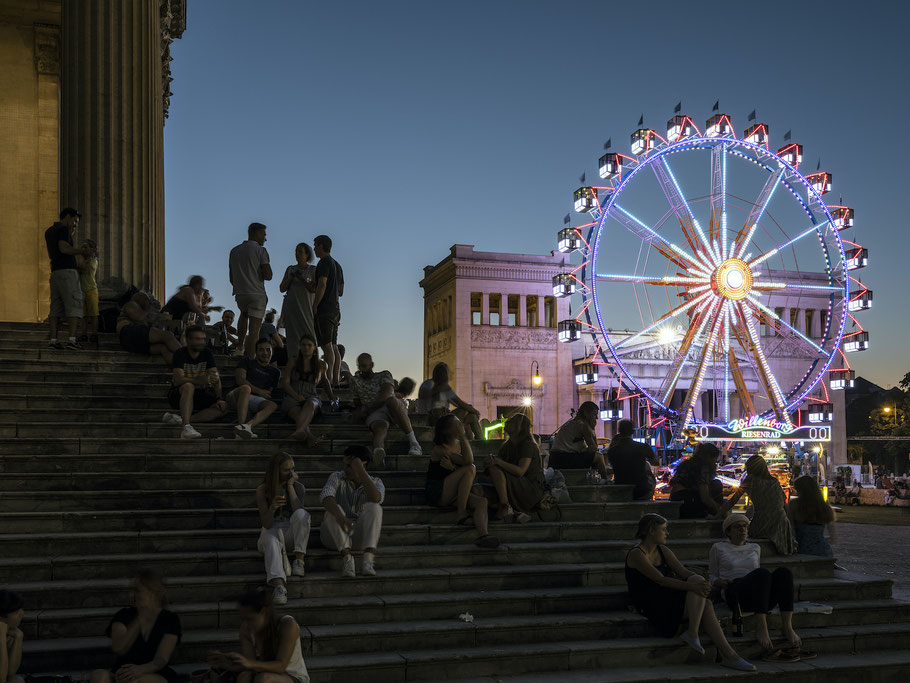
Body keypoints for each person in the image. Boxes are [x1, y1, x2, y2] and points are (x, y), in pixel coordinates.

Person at [625, 514, 755, 672]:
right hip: (651, 602)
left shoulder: (663, 550)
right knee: (701, 598)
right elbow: (660, 580)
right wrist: (693, 587)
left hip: (667, 596)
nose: (667, 533)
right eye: (663, 530)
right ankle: (727, 654)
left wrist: (700, 582)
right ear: (651, 531)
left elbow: (684, 572)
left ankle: (711, 644)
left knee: (699, 587)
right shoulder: (637, 553)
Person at [709, 514, 807, 660]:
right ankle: (761, 627)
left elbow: (760, 577)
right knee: (762, 574)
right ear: (728, 531)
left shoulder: (755, 547)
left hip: (758, 590)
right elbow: (712, 576)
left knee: (783, 573)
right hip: (735, 591)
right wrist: (720, 583)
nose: (742, 529)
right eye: (737, 527)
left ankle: (787, 626)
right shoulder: (719, 547)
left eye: (745, 526)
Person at [89, 570, 181, 683]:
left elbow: (161, 659)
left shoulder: (169, 619)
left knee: (135, 681)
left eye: (137, 591)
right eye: (131, 590)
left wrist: (141, 669)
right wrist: (140, 618)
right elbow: (119, 648)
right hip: (123, 671)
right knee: (98, 676)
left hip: (154, 672)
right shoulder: (123, 615)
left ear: (152, 592)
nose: (131, 595)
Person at [427, 414, 500, 548]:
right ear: (446, 430)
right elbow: (468, 462)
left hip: (456, 491)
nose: (460, 425)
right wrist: (462, 435)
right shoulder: (439, 449)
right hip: (438, 492)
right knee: (470, 469)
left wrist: (462, 439)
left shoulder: (458, 444)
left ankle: (483, 535)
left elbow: (466, 460)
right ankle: (461, 513)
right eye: (456, 423)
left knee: (482, 502)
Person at [207, 588, 309, 683]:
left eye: (250, 619)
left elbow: (281, 666)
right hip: (261, 672)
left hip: (292, 677)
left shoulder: (287, 625)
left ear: (264, 613)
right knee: (244, 676)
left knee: (264, 679)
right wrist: (226, 663)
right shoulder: (246, 629)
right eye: (243, 619)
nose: (246, 624)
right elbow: (249, 664)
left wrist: (250, 663)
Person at [320, 445, 384, 578]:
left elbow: (376, 498)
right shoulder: (337, 476)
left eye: (349, 466)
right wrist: (341, 517)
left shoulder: (376, 481)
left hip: (357, 536)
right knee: (332, 510)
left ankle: (368, 560)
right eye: (345, 465)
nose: (345, 469)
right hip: (334, 535)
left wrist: (360, 471)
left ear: (363, 465)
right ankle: (347, 559)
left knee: (375, 507)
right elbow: (326, 496)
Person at [715, 455, 797, 555]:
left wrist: (717, 515)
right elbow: (784, 504)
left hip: (763, 520)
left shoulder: (751, 480)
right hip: (781, 521)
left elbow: (733, 500)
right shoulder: (774, 481)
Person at [256, 454, 310, 606]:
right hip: (271, 530)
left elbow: (301, 514)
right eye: (286, 470)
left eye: (293, 469)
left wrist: (291, 487)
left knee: (302, 514)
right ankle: (279, 586)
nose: (291, 474)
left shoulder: (299, 487)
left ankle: (299, 561)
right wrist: (272, 507)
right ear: (276, 471)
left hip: (290, 533)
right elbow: (266, 524)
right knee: (269, 540)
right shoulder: (262, 490)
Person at [350, 353, 422, 466]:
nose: (361, 369)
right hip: (374, 413)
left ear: (371, 365)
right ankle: (378, 451)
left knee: (391, 401)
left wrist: (366, 408)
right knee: (379, 428)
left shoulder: (384, 375)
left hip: (389, 407)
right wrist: (359, 412)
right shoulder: (355, 381)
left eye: (364, 366)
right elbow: (357, 403)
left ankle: (414, 443)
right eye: (359, 366)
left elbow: (386, 394)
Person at [161, 326, 228, 439]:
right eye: (197, 339)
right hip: (179, 394)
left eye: (203, 339)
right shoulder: (180, 353)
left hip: (200, 393)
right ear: (188, 340)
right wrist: (200, 380)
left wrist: (219, 398)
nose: (201, 342)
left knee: (224, 408)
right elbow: (178, 380)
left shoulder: (206, 353)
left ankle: (180, 419)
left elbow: (214, 377)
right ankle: (186, 427)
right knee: (188, 386)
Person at [483, 413, 545, 520]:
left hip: (529, 488)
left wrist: (497, 462)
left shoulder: (528, 445)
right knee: (477, 490)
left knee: (494, 468)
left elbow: (520, 471)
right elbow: (499, 466)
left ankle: (504, 505)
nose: (507, 421)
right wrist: (490, 461)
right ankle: (511, 508)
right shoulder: (507, 446)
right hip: (512, 484)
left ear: (519, 426)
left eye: (511, 420)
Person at [45, 207, 90, 349]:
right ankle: (72, 340)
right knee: (74, 305)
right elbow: (64, 249)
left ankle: (53, 340)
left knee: (56, 308)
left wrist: (70, 234)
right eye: (75, 220)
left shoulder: (50, 231)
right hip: (67, 273)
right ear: (68, 217)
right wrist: (83, 251)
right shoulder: (63, 230)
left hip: (55, 272)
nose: (76, 224)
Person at [230, 222, 272, 358]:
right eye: (264, 235)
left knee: (243, 314)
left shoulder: (234, 250)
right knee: (254, 331)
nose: (265, 238)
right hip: (256, 293)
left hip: (240, 292)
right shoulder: (261, 251)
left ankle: (240, 347)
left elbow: (231, 276)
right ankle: (251, 358)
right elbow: (268, 275)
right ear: (257, 233)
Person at [228, 338, 281, 439]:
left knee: (272, 405)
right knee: (245, 388)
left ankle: (246, 427)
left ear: (272, 352)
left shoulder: (276, 372)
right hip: (236, 395)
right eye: (261, 350)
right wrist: (259, 391)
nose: (265, 353)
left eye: (268, 350)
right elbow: (240, 380)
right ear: (256, 352)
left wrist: (263, 394)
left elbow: (268, 393)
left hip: (254, 400)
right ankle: (240, 426)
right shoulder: (247, 361)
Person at [281, 334, 329, 445]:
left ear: (314, 347)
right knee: (297, 413)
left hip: (311, 395)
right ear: (299, 346)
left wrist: (332, 397)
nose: (306, 347)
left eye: (309, 345)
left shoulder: (321, 364)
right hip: (293, 396)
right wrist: (296, 396)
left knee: (311, 404)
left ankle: (300, 431)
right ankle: (310, 437)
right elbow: (285, 383)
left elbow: (325, 381)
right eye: (303, 345)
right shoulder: (293, 361)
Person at [416, 362, 482, 439]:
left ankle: (477, 440)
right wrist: (476, 411)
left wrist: (470, 409)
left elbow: (456, 403)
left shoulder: (428, 384)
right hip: (437, 420)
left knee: (472, 416)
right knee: (469, 413)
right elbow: (460, 403)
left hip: (438, 418)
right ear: (444, 375)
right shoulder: (443, 387)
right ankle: (480, 441)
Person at [549, 402, 609, 481]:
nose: (597, 418)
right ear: (587, 414)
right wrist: (593, 429)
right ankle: (604, 482)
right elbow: (594, 447)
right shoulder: (582, 424)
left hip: (555, 458)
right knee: (599, 457)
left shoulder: (572, 422)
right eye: (595, 414)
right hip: (564, 458)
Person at [117, 292, 181, 364]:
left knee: (163, 348)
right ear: (140, 298)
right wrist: (150, 310)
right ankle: (188, 358)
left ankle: (180, 368)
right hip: (129, 332)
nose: (149, 302)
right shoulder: (131, 304)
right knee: (168, 336)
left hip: (131, 341)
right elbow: (140, 317)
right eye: (147, 300)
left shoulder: (143, 310)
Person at [279, 242, 317, 361]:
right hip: (292, 307)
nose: (297, 254)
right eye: (296, 251)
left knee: (309, 334)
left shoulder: (313, 270)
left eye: (300, 251)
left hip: (307, 307)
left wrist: (302, 279)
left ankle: (313, 362)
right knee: (293, 337)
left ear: (307, 254)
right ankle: (293, 363)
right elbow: (282, 288)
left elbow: (313, 289)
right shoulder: (290, 269)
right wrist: (291, 277)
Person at [312, 235, 341, 386]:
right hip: (335, 309)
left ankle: (328, 380)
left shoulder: (323, 262)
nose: (314, 248)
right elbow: (340, 289)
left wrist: (315, 304)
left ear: (321, 246)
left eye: (315, 245)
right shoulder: (335, 264)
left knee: (326, 346)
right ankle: (335, 380)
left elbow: (322, 284)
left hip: (325, 309)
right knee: (334, 346)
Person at [669, 442, 723, 519]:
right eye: (715, 459)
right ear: (709, 457)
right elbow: (705, 497)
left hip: (676, 499)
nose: (715, 462)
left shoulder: (686, 464)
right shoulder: (703, 467)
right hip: (688, 503)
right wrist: (719, 511)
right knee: (717, 484)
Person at [607, 419, 658, 500]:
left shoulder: (612, 451)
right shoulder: (643, 447)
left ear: (619, 431)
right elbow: (655, 461)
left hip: (621, 490)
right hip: (641, 490)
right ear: (632, 431)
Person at [788, 475, 836, 557]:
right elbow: (832, 533)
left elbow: (791, 530)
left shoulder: (794, 505)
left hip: (803, 550)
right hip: (823, 551)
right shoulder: (822, 505)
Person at [0, 590, 25, 683]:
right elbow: (1, 678)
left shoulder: (10, 634)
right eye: (17, 612)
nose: (22, 614)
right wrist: (1, 638)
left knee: (16, 680)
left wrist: (19, 637)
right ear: (1, 617)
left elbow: (11, 672)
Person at [77, 238, 99, 343]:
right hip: (82, 290)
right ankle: (84, 334)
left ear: (92, 249)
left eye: (85, 247)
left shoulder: (93, 260)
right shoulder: (84, 261)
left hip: (91, 290)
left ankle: (94, 334)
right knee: (83, 315)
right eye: (82, 247)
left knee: (93, 314)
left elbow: (86, 269)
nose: (82, 249)